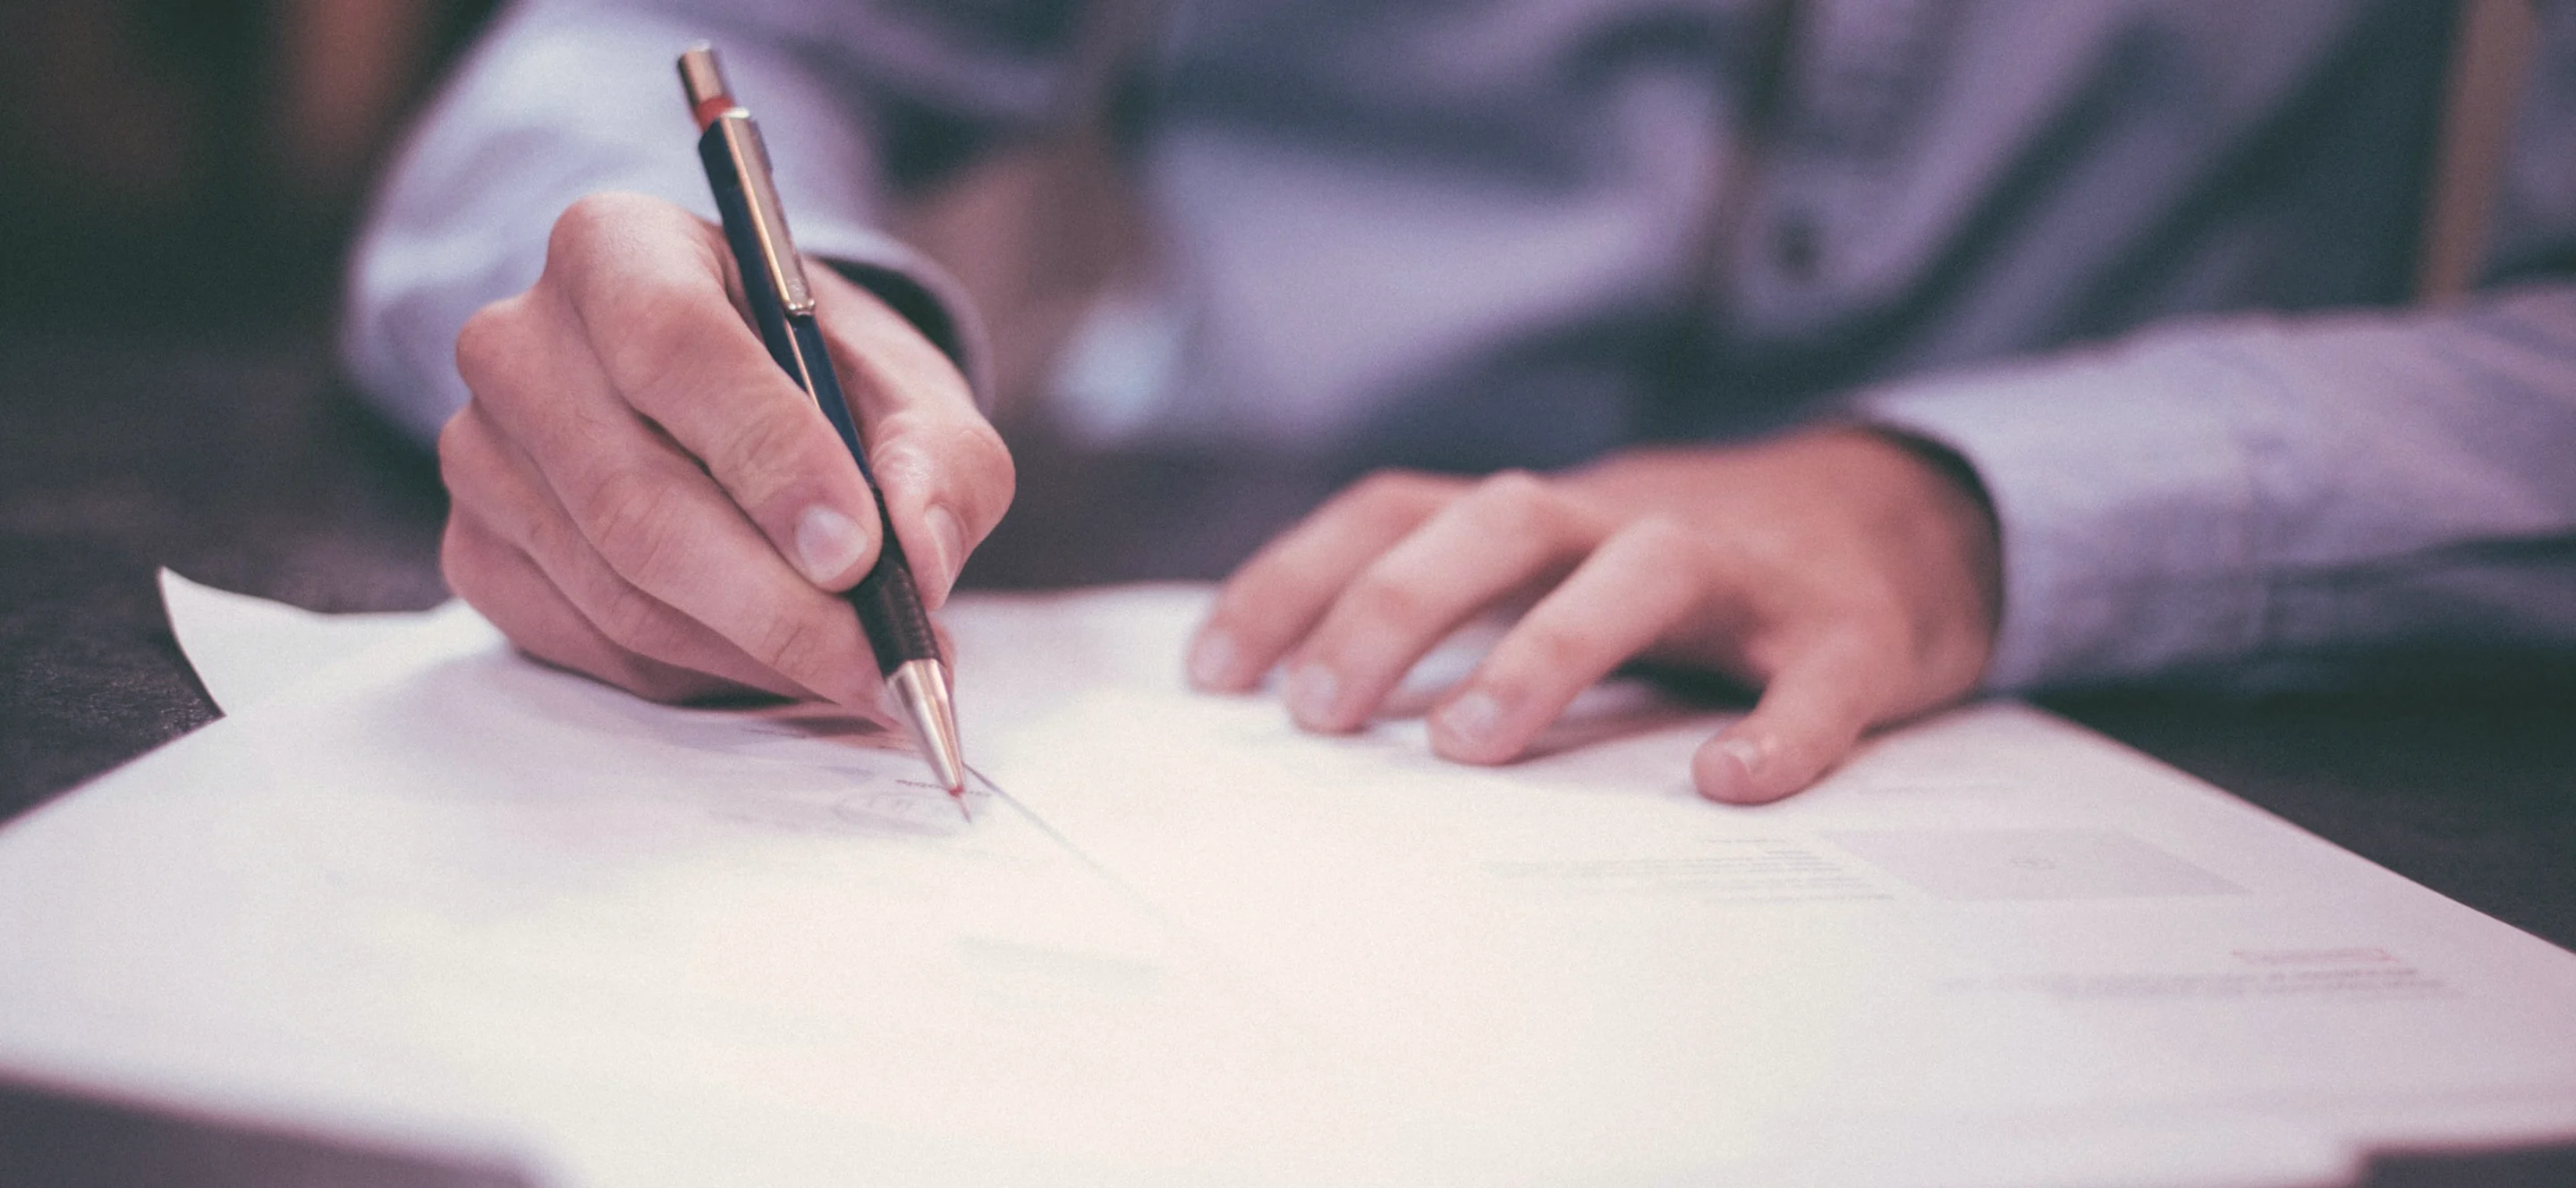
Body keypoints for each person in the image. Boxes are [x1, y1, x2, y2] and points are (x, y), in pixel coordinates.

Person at [343, 0, 2576, 803]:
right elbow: (654, 45)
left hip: (2136, 693)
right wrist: (697, 340)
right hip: (1205, 620)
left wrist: (1964, 505)